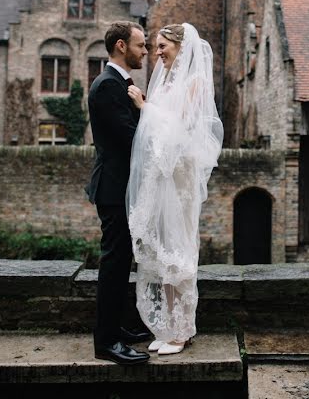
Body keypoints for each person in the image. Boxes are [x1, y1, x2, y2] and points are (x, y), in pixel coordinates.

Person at [125, 23, 223, 356]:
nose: (157, 52)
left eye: (162, 45)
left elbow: (179, 125)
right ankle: (168, 326)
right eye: (154, 46)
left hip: (179, 176)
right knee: (164, 252)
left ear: (181, 46)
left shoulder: (194, 83)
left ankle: (182, 331)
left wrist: (143, 107)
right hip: (163, 175)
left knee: (179, 251)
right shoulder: (167, 82)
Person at [86, 21, 152, 365]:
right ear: (122, 46)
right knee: (113, 264)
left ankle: (117, 328)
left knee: (122, 261)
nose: (145, 51)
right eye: (141, 45)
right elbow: (132, 139)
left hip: (122, 187)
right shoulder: (107, 86)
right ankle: (106, 342)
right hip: (113, 189)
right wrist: (146, 112)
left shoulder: (120, 84)